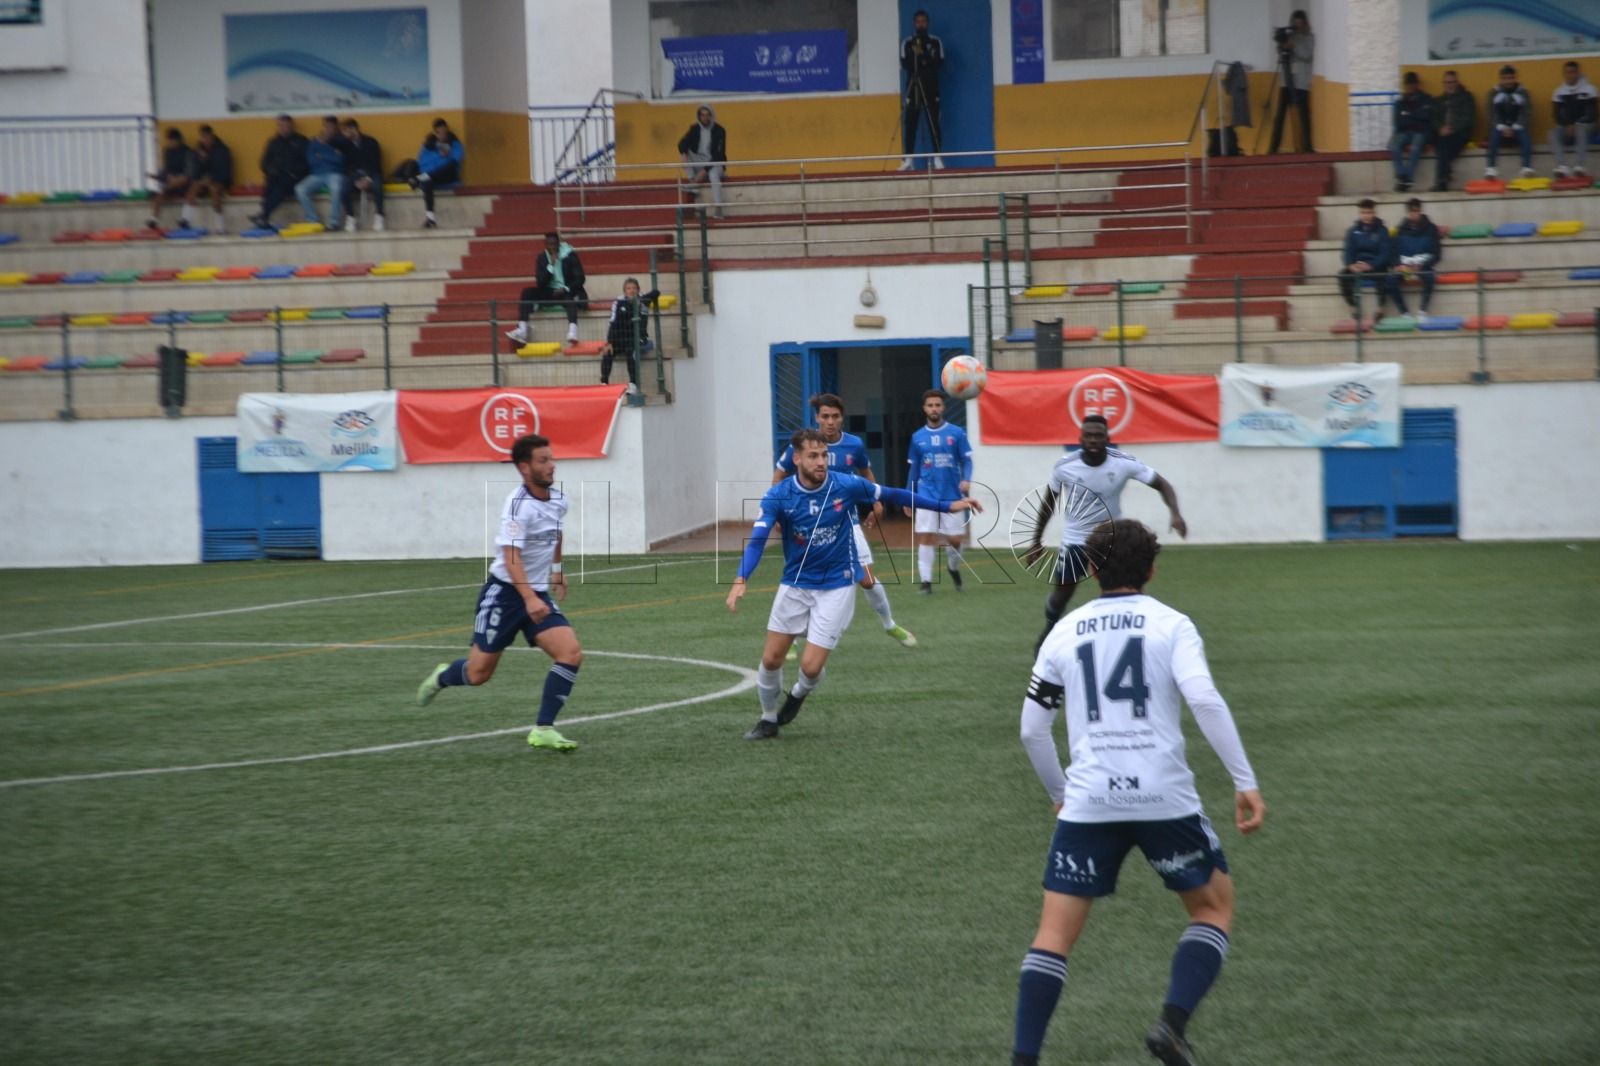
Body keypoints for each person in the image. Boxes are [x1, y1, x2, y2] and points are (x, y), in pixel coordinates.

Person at [1011, 518, 1265, 1066]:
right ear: (1151, 568)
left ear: (1093, 570)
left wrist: (1060, 793)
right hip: (1163, 796)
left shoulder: (1064, 631)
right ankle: (1171, 1027)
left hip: (1089, 800)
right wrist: (1244, 781)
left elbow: (1032, 729)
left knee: (1053, 935)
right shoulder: (1172, 624)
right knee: (1212, 909)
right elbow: (1205, 700)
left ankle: (1023, 1059)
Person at [727, 429, 980, 741]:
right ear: (797, 459)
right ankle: (767, 719)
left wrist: (947, 506)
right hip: (795, 584)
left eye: (823, 456)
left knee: (809, 669)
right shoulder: (779, 496)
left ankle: (796, 696)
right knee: (770, 659)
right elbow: (757, 541)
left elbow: (893, 494)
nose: (821, 462)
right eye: (813, 456)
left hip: (837, 585)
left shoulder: (844, 485)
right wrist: (741, 579)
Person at [415, 433, 583, 752]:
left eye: (552, 459)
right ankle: (443, 676)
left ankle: (544, 728)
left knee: (571, 653)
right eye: (543, 461)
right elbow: (511, 555)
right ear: (524, 468)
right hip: (505, 594)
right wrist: (529, 597)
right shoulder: (517, 506)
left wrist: (557, 571)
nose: (551, 466)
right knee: (478, 674)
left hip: (536, 594)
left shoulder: (559, 500)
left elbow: (556, 533)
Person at [1024, 414, 1186, 657]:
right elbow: (1049, 503)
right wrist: (1036, 540)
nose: (1093, 440)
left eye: (1098, 435)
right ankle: (1049, 629)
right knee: (1063, 593)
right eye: (1088, 435)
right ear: (1079, 438)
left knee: (1126, 590)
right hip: (1075, 540)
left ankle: (1131, 640)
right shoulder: (1064, 466)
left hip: (1112, 539)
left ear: (1107, 438)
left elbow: (1163, 484)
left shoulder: (1123, 462)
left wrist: (1175, 513)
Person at [772, 393, 918, 654]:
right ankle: (792, 638)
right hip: (806, 526)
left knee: (867, 579)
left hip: (846, 524)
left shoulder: (854, 445)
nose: (830, 422)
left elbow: (866, 474)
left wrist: (876, 503)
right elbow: (779, 475)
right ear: (817, 418)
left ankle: (889, 624)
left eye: (835, 416)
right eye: (825, 416)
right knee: (800, 580)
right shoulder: (801, 446)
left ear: (842, 418)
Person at [905, 389, 972, 594]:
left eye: (937, 405)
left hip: (951, 494)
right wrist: (909, 496)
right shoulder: (917, 437)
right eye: (930, 405)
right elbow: (914, 469)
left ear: (943, 407)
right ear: (924, 408)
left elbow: (967, 460)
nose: (934, 408)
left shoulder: (957, 433)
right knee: (926, 537)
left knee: (955, 540)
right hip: (926, 494)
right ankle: (926, 582)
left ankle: (952, 567)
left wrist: (966, 480)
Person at [505, 232, 587, 347]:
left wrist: (565, 288)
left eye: (554, 244)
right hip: (550, 291)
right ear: (545, 245)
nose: (552, 247)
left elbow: (580, 278)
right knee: (527, 292)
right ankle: (522, 329)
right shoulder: (542, 258)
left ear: (559, 244)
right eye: (549, 244)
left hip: (566, 290)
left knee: (570, 300)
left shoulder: (570, 255)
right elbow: (540, 283)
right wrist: (551, 266)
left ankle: (572, 332)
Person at [898, 9, 946, 171]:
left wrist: (923, 55)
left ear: (928, 23)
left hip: (931, 88)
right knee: (910, 123)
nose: (921, 24)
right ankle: (908, 160)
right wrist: (923, 59)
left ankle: (938, 158)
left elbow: (938, 63)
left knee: (934, 123)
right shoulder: (907, 43)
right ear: (914, 24)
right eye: (918, 22)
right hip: (913, 87)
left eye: (923, 21)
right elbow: (906, 64)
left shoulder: (935, 42)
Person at [248, 114, 308, 230]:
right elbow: (264, 162)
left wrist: (291, 171)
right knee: (270, 184)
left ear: (291, 126)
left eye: (285, 126)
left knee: (282, 184)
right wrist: (270, 169)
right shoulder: (273, 142)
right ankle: (264, 217)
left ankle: (263, 215)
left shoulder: (301, 141)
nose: (283, 128)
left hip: (294, 177)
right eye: (280, 126)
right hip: (275, 176)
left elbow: (306, 163)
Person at [601, 277, 659, 394]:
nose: (631, 291)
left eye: (634, 288)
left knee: (631, 351)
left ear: (638, 290)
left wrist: (639, 300)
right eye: (628, 288)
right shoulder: (619, 303)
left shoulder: (644, 301)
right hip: (621, 338)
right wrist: (609, 342)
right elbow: (613, 323)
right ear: (624, 291)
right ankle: (604, 382)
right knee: (607, 352)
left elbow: (656, 292)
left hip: (638, 338)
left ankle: (633, 384)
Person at [1387, 197, 1442, 321]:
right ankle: (1404, 313)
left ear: (1420, 211)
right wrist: (1398, 265)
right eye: (1411, 212)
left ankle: (1422, 310)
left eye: (1416, 211)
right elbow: (1393, 252)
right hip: (1406, 268)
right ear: (1407, 212)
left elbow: (1437, 253)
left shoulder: (1431, 229)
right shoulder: (1399, 229)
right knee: (1390, 280)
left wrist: (1422, 265)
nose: (1414, 214)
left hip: (1422, 267)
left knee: (1429, 277)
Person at [1338, 199, 1392, 322]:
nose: (1366, 216)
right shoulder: (1352, 231)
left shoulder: (1382, 231)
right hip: (1357, 266)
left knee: (1384, 276)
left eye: (1369, 212)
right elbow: (1347, 252)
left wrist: (1371, 265)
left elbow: (1385, 254)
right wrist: (1350, 265)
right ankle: (1353, 307)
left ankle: (1380, 309)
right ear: (1359, 213)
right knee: (1342, 275)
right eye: (1363, 212)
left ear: (1374, 213)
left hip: (1375, 266)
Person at [1268, 9, 1314, 154]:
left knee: (1304, 116)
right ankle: (1273, 148)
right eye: (1295, 22)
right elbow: (1280, 52)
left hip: (1301, 83)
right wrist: (1282, 43)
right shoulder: (1289, 35)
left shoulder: (1309, 37)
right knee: (1280, 116)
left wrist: (1294, 46)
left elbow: (1307, 55)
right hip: (1286, 82)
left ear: (1305, 23)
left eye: (1300, 22)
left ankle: (1307, 147)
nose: (1297, 25)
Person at [294, 115, 348, 231]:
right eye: (326, 126)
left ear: (335, 128)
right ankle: (313, 220)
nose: (328, 129)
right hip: (316, 175)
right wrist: (331, 155)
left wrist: (322, 155)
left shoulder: (341, 141)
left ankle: (334, 222)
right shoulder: (314, 142)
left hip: (335, 174)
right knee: (300, 189)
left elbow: (341, 160)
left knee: (336, 188)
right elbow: (311, 161)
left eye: (331, 127)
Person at [676, 105, 727, 217]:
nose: (705, 118)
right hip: (700, 162)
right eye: (702, 115)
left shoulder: (719, 130)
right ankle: (693, 184)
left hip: (714, 164)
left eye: (707, 115)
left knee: (713, 174)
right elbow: (682, 143)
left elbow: (719, 155)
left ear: (712, 116)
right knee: (686, 153)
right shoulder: (694, 129)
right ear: (699, 117)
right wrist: (683, 154)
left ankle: (718, 208)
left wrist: (704, 171)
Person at [1429, 70, 1476, 192]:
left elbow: (1468, 118)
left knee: (1444, 146)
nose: (1450, 85)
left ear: (1457, 82)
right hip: (1442, 134)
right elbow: (1434, 118)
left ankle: (1441, 180)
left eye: (1452, 82)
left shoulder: (1466, 97)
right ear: (1443, 84)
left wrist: (1452, 129)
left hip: (1459, 134)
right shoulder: (1439, 100)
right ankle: (1444, 177)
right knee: (1440, 142)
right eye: (1447, 82)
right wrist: (1440, 128)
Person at [413, 118, 464, 229]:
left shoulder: (454, 144)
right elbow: (421, 162)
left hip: (448, 175)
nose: (443, 135)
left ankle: (421, 178)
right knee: (426, 180)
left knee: (448, 167)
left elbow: (455, 162)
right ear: (435, 133)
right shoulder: (428, 146)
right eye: (439, 132)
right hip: (431, 175)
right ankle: (430, 217)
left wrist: (447, 153)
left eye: (444, 132)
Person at [1484, 65, 1533, 179]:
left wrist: (1515, 127)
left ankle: (1526, 167)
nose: (1508, 81)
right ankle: (1491, 168)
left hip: (1517, 127)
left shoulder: (1523, 93)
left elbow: (1527, 113)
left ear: (1515, 78)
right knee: (1493, 134)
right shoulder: (1493, 93)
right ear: (1501, 79)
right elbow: (1490, 113)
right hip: (1500, 128)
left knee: (1525, 135)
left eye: (1511, 78)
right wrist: (1502, 127)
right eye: (1505, 78)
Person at [1550, 61, 1596, 179]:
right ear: (1564, 74)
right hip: (1567, 127)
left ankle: (1579, 166)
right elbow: (1556, 116)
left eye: (1573, 72)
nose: (1570, 75)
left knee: (1580, 130)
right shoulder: (1558, 92)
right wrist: (1568, 125)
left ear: (1578, 73)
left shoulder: (1589, 89)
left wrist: (1575, 124)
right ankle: (1562, 166)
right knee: (1552, 133)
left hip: (1587, 125)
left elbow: (1592, 114)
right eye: (1567, 72)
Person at [183, 125, 233, 235]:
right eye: (202, 137)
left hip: (221, 181)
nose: (204, 140)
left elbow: (224, 172)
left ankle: (220, 226)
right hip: (205, 181)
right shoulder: (199, 151)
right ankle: (185, 219)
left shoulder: (222, 150)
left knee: (214, 189)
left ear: (211, 137)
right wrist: (202, 161)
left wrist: (211, 179)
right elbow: (196, 173)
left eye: (206, 137)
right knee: (194, 186)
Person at [338, 118, 385, 232]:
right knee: (343, 188)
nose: (343, 133)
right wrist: (356, 180)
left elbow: (376, 163)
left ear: (354, 129)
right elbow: (347, 167)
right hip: (355, 175)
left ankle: (379, 216)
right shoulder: (345, 145)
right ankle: (350, 217)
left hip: (372, 173)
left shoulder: (371, 142)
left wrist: (367, 179)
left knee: (377, 187)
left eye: (345, 130)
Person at [1390, 72, 1433, 192]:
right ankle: (1403, 177)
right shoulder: (1400, 102)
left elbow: (1426, 118)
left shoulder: (1426, 99)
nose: (1410, 86)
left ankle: (1406, 178)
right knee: (1394, 146)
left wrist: (1408, 115)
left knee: (1415, 148)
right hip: (1404, 132)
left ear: (1417, 84)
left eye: (1412, 84)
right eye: (1408, 84)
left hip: (1421, 132)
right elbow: (1398, 122)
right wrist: (1415, 116)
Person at [147, 127, 195, 231]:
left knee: (174, 183)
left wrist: (176, 178)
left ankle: (185, 219)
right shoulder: (167, 152)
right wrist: (159, 176)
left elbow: (189, 174)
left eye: (171, 141)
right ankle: (154, 219)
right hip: (171, 182)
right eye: (169, 141)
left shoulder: (188, 152)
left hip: (184, 183)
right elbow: (166, 169)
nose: (170, 143)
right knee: (160, 192)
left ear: (178, 140)